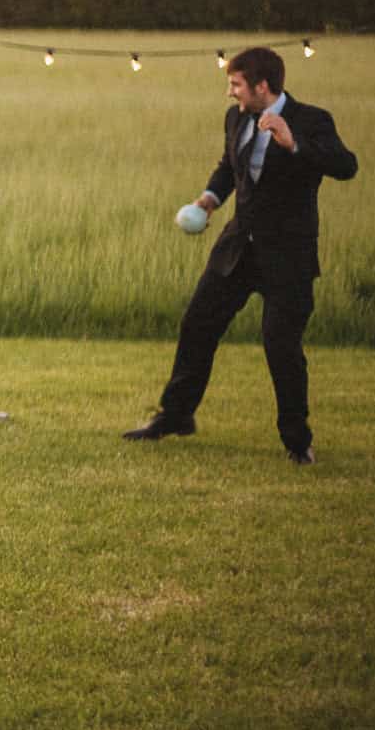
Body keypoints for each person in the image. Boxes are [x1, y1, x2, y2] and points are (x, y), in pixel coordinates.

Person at [124, 46, 357, 464]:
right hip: (238, 247)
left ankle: (297, 441)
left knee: (280, 344)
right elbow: (230, 167)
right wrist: (210, 198)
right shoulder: (236, 118)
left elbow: (346, 165)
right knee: (198, 324)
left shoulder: (311, 120)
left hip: (288, 255)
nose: (231, 93)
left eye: (236, 85)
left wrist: (295, 144)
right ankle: (176, 416)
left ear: (262, 86)